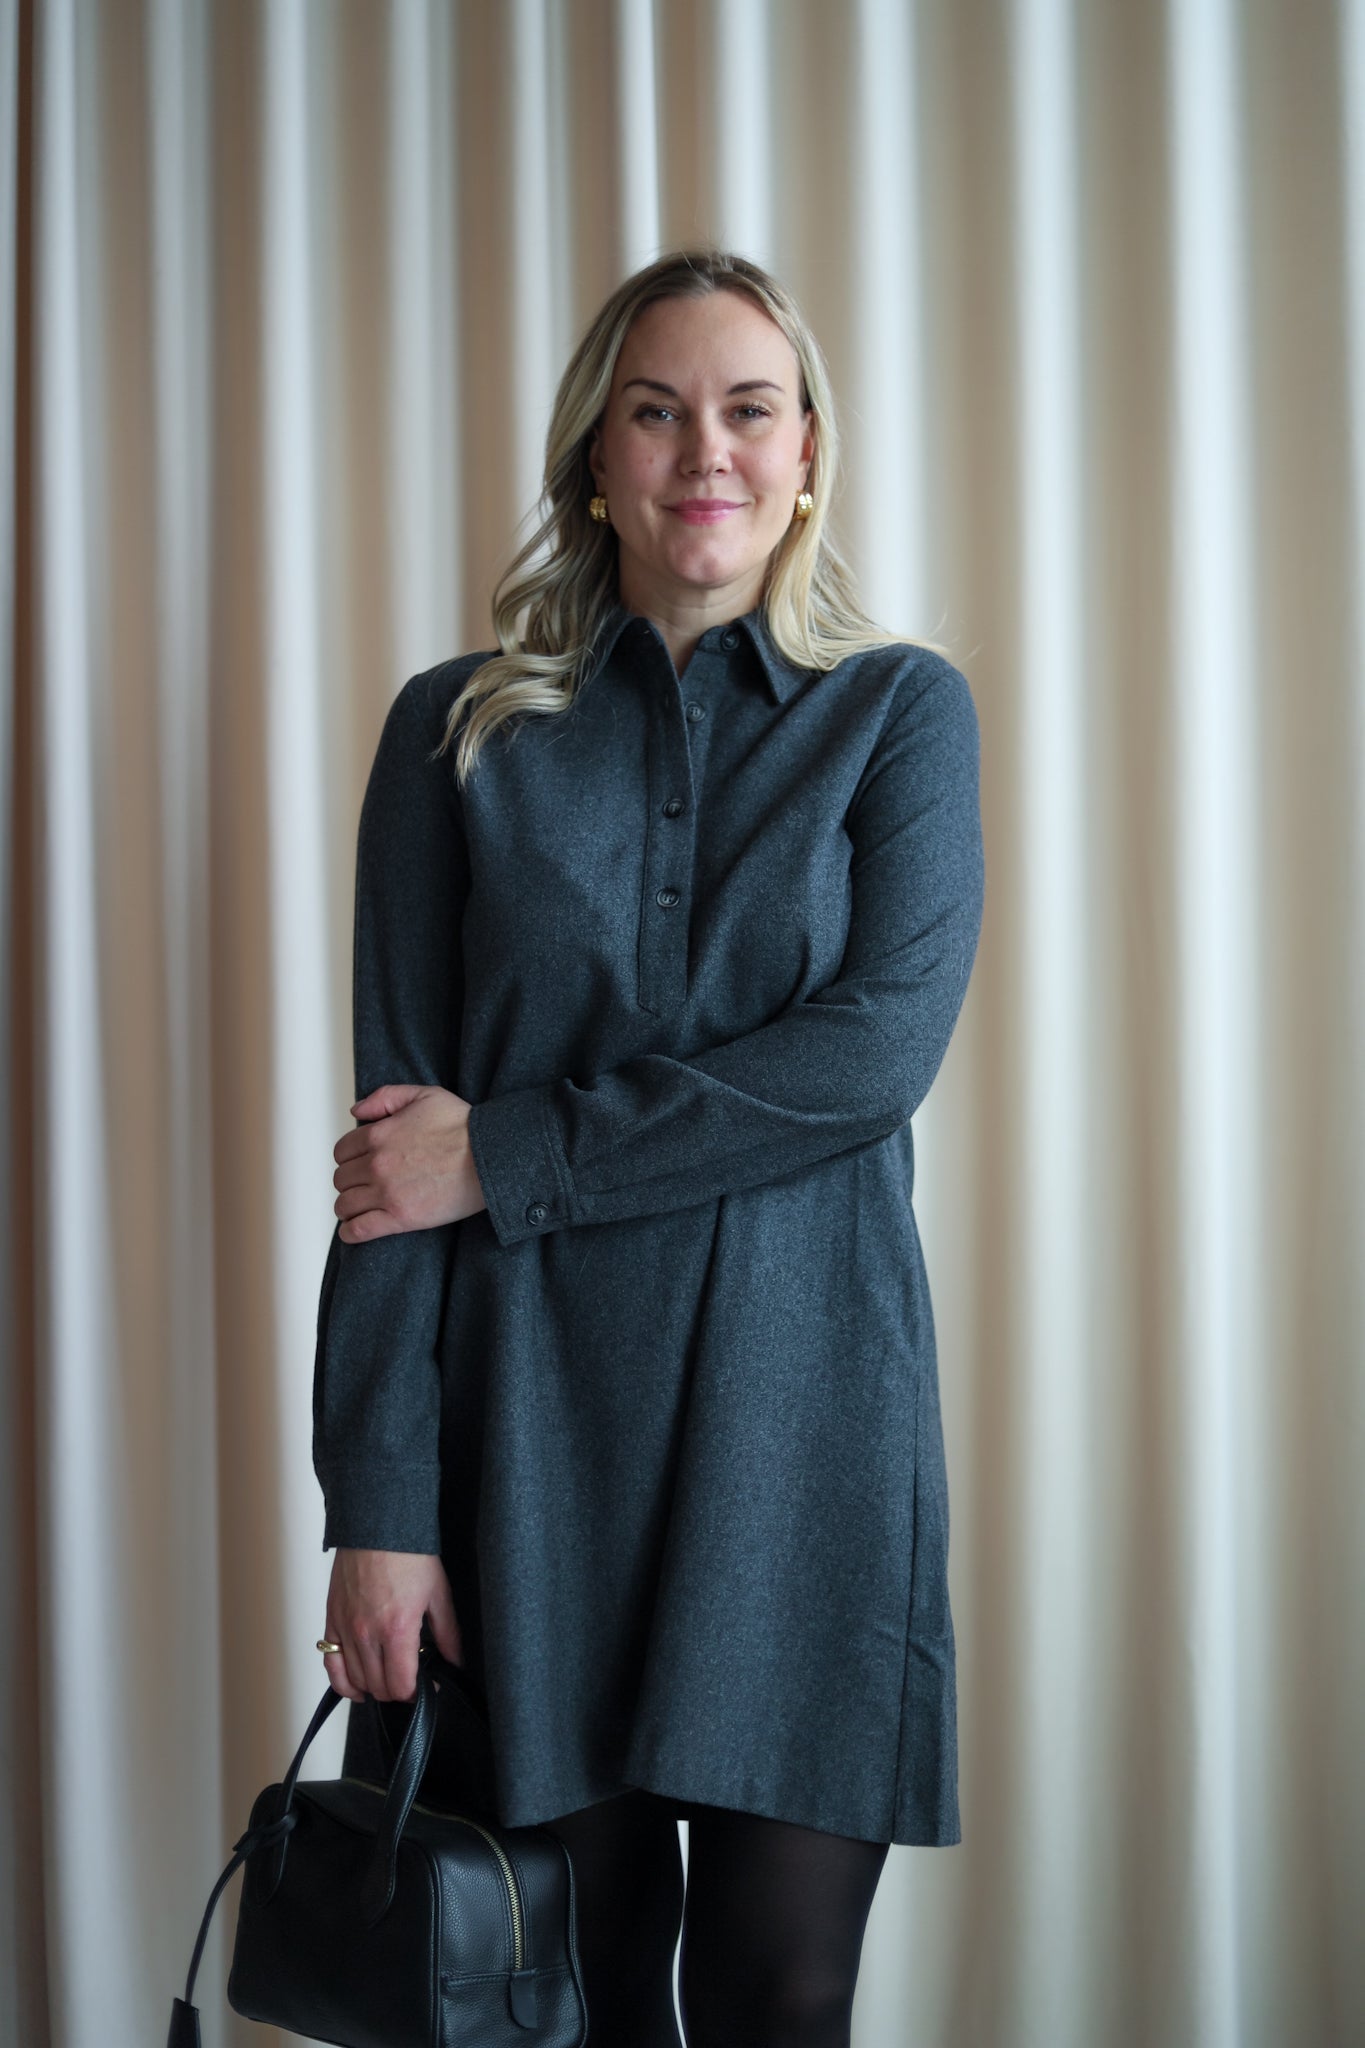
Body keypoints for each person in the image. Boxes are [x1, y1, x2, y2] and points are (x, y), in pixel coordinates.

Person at [311, 248, 985, 2047]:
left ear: (807, 448)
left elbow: (866, 1062)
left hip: (806, 1436)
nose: (707, 452)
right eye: (657, 410)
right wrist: (376, 1508)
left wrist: (512, 1153)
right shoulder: (455, 730)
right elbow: (391, 1159)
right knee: (566, 2002)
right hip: (523, 1450)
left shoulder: (898, 715)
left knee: (781, 1997)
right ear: (593, 457)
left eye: (749, 409)